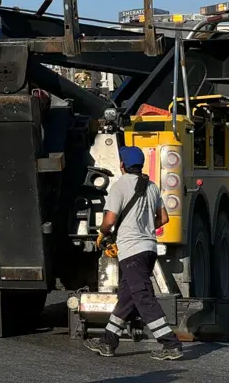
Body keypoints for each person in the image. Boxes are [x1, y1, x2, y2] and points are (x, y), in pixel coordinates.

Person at [85, 146, 183, 361]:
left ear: (122, 165)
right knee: (127, 297)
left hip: (131, 251)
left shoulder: (119, 186)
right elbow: (164, 218)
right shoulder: (152, 187)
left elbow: (110, 220)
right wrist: (145, 227)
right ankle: (108, 342)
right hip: (148, 249)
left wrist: (102, 234)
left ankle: (171, 344)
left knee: (143, 297)